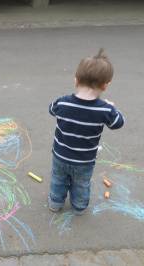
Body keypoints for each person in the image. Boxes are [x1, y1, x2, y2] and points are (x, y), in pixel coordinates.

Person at [48, 48, 124, 215]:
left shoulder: (63, 102)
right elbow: (118, 123)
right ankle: (79, 207)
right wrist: (113, 108)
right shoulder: (104, 110)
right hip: (84, 160)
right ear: (105, 85)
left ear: (76, 80)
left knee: (58, 180)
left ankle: (55, 203)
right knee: (81, 184)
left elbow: (51, 109)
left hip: (60, 155)